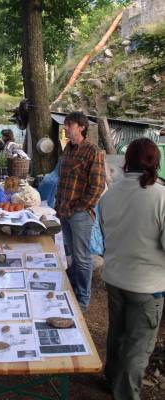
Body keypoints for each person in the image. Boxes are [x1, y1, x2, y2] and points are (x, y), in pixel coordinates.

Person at [99, 138, 165, 400]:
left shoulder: (110, 194)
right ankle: (125, 394)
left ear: (127, 162)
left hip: (115, 277)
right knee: (138, 347)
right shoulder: (160, 196)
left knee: (117, 332)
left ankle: (111, 378)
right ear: (155, 162)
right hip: (147, 284)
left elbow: (106, 234)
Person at [55, 112, 106, 312]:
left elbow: (97, 186)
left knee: (82, 257)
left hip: (79, 214)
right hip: (64, 212)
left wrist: (80, 207)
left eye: (69, 124)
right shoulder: (67, 149)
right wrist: (59, 206)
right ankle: (74, 290)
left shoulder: (93, 151)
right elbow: (62, 181)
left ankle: (83, 300)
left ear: (81, 127)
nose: (65, 127)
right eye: (65, 124)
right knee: (74, 255)